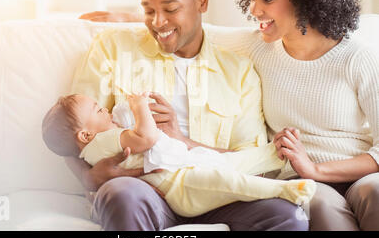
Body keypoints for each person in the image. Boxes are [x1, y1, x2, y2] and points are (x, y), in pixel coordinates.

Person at [82, 0, 379, 231]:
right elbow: (196, 30)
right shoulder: (259, 47)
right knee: (318, 203)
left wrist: (318, 169)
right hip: (292, 178)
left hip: (347, 171)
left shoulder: (354, 59)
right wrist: (136, 17)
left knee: (366, 196)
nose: (254, 10)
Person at [67, 0, 309, 231]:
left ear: (202, 1)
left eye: (170, 9)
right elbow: (74, 130)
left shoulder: (238, 71)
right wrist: (88, 179)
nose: (158, 22)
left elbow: (252, 161)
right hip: (146, 191)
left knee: (287, 215)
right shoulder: (112, 48)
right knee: (121, 194)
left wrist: (182, 140)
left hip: (216, 194)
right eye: (148, 10)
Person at [42, 93, 316, 217]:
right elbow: (146, 137)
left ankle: (274, 154)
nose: (105, 109)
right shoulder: (105, 141)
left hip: (184, 166)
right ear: (85, 136)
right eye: (99, 110)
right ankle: (283, 189)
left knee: (227, 163)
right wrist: (139, 108)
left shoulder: (100, 142)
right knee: (225, 178)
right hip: (179, 185)